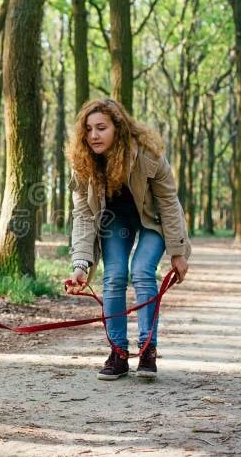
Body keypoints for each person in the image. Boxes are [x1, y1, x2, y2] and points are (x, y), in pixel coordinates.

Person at [66, 98, 190, 381]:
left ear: (118, 129)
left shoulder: (148, 155)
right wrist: (81, 264)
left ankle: (147, 349)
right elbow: (83, 215)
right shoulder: (82, 163)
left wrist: (178, 252)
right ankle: (118, 353)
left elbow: (169, 203)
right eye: (88, 129)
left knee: (143, 270)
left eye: (101, 128)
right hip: (115, 221)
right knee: (114, 276)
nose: (94, 135)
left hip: (152, 220)